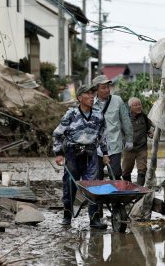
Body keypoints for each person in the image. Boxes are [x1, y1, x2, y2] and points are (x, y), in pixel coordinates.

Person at [53, 85, 110, 229]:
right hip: (73, 154)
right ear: (80, 98)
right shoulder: (71, 114)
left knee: (92, 187)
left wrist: (105, 154)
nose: (92, 97)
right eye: (88, 94)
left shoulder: (98, 115)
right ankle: (67, 215)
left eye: (93, 94)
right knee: (70, 185)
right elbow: (58, 134)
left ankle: (94, 219)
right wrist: (59, 153)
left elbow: (102, 136)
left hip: (90, 155)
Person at [92, 75, 133, 181]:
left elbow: (126, 121)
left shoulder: (117, 100)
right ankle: (98, 196)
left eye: (108, 87)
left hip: (114, 144)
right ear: (96, 89)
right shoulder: (91, 103)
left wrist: (129, 139)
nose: (107, 90)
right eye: (103, 88)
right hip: (96, 147)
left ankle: (114, 196)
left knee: (115, 174)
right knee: (97, 175)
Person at [122, 97, 153, 186]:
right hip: (128, 149)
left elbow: (149, 129)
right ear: (130, 107)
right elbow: (120, 132)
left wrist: (150, 134)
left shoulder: (144, 117)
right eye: (135, 105)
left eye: (139, 104)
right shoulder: (125, 118)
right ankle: (128, 189)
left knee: (142, 170)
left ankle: (139, 190)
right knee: (125, 172)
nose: (138, 106)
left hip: (141, 148)